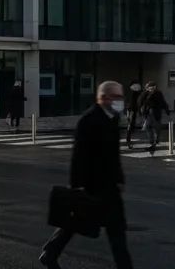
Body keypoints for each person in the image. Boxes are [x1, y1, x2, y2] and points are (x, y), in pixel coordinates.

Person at [39, 81, 132, 269]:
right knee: (75, 222)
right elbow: (78, 156)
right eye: (117, 97)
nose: (120, 101)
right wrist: (76, 187)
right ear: (104, 98)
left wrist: (119, 178)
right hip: (92, 186)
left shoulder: (113, 119)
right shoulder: (88, 120)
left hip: (110, 187)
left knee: (116, 232)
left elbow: (114, 155)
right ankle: (50, 253)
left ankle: (50, 252)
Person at [141, 82, 169, 154]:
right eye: (148, 88)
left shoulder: (158, 93)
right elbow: (140, 100)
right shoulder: (146, 93)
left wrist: (167, 109)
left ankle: (154, 143)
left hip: (155, 112)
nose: (150, 89)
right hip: (149, 113)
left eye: (151, 87)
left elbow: (162, 102)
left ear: (154, 87)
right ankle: (152, 142)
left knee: (156, 127)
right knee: (148, 127)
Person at [124, 81, 142, 150]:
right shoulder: (132, 93)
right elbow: (129, 103)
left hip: (133, 111)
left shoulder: (136, 93)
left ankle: (128, 140)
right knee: (130, 125)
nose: (138, 87)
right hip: (131, 111)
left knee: (131, 125)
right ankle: (128, 141)